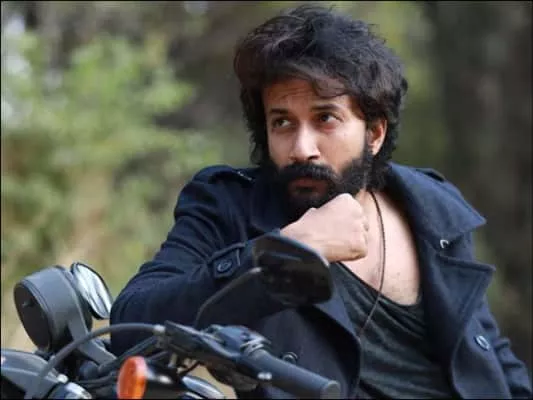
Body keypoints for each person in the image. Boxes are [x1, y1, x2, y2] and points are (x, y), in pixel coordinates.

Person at [109, 4, 532, 398]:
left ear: (374, 133)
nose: (302, 148)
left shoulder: (432, 207)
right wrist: (288, 251)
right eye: (282, 122)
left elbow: (488, 353)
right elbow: (132, 325)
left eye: (325, 118)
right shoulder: (230, 205)